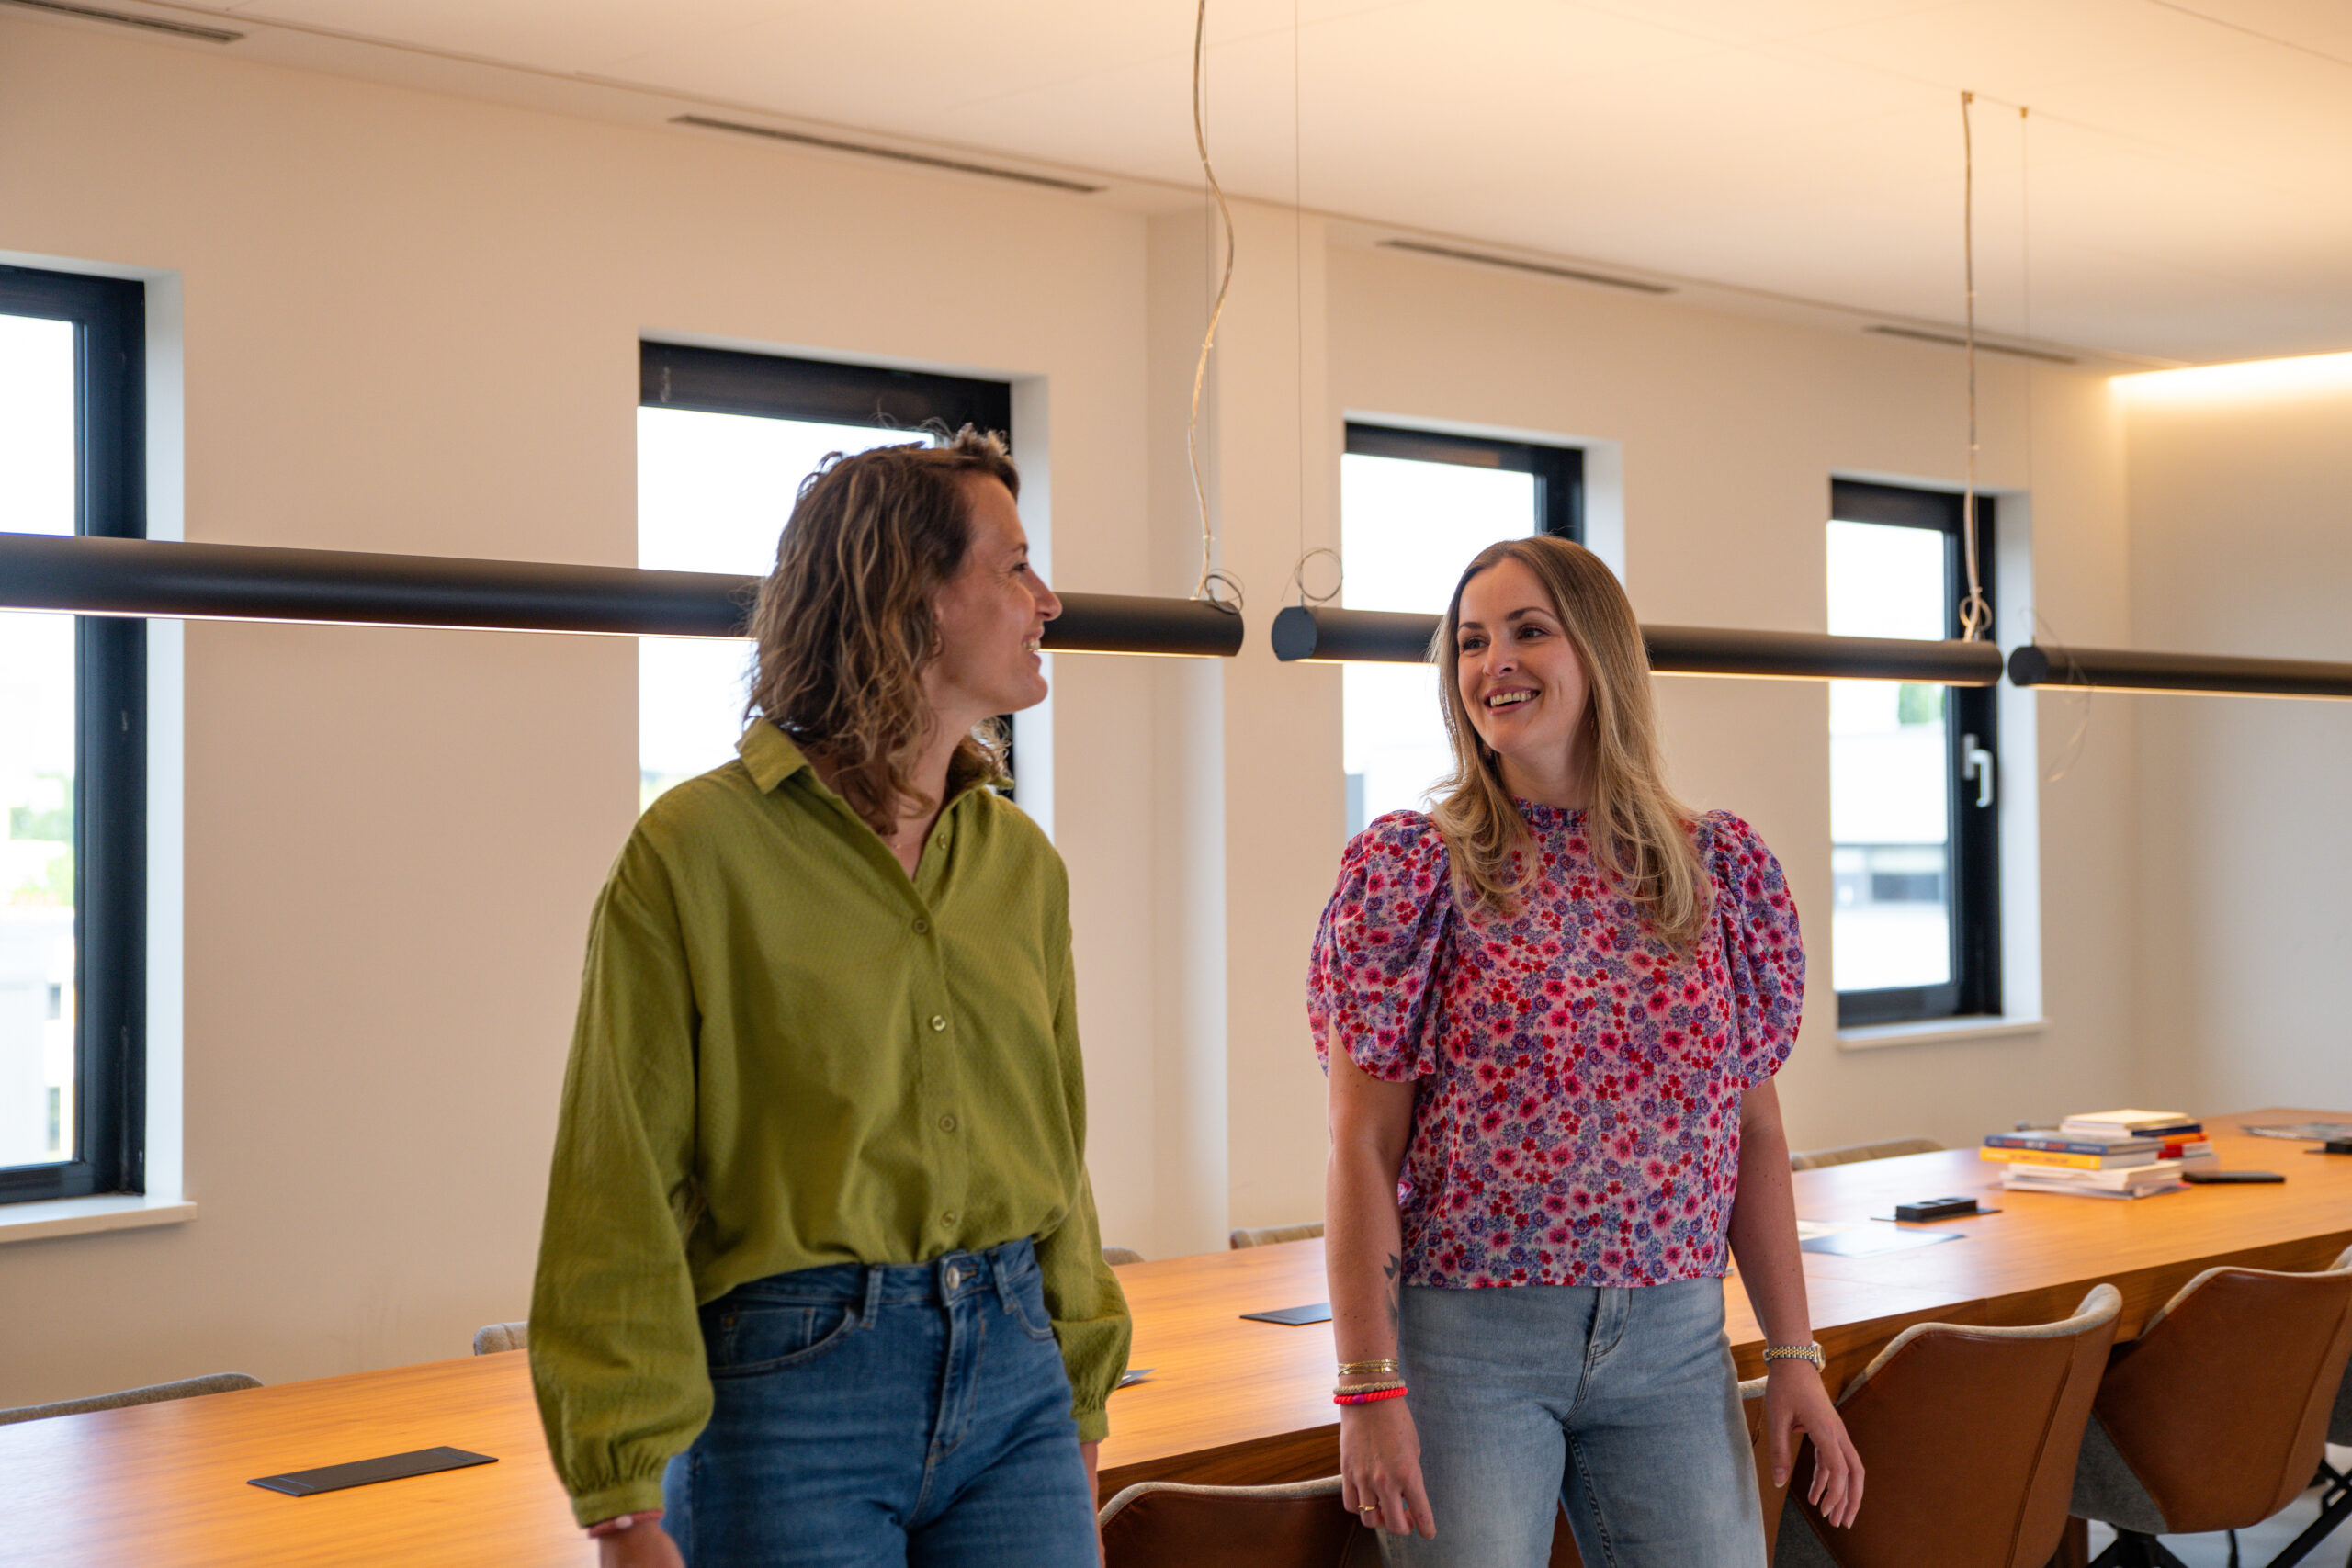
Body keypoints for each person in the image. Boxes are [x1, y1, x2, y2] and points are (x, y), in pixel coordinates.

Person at [528, 428, 1129, 1568]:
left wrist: (1080, 1393)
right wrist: (621, 1497)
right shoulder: (693, 851)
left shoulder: (1018, 863)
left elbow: (1057, 1150)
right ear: (912, 596)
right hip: (789, 1396)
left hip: (1015, 1383)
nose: (1045, 599)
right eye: (1012, 566)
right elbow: (616, 1184)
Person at [1311, 535, 1863, 1567]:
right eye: (1471, 643)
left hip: (1676, 1341)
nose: (1493, 663)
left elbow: (1752, 1134)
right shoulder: (1413, 874)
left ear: (1600, 653)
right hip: (1468, 1345)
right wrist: (1367, 1383)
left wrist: (1793, 1356)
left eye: (1528, 631)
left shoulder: (1712, 872)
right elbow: (1358, 1148)